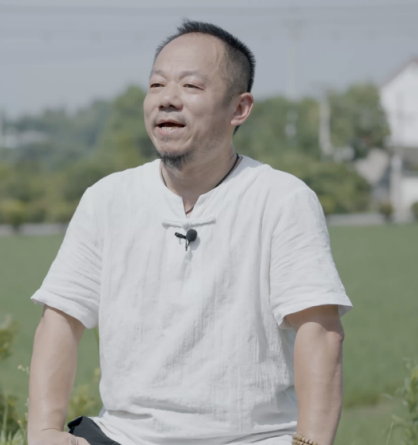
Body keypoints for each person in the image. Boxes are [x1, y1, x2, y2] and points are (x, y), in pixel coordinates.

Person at [27, 20, 351, 445]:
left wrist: (309, 443)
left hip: (255, 438)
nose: (167, 101)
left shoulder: (282, 199)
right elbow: (62, 318)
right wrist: (45, 432)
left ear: (240, 108)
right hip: (124, 436)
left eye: (191, 87)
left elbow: (319, 331)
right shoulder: (107, 198)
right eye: (157, 85)